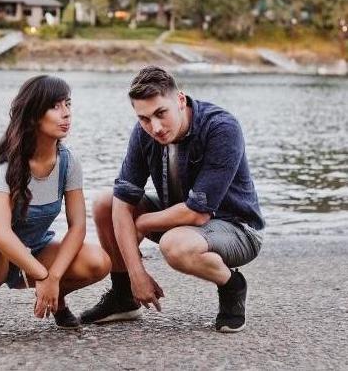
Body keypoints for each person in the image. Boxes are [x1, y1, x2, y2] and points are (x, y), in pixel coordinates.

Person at [80, 66, 265, 332]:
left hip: (238, 229)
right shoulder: (143, 133)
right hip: (181, 219)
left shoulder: (221, 128)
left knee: (174, 245)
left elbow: (197, 213)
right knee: (104, 204)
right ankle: (123, 296)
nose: (154, 127)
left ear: (179, 100)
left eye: (160, 113)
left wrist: (142, 223)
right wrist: (136, 274)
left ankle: (232, 285)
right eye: (144, 118)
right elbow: (121, 203)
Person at [0, 75, 111, 349]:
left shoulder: (68, 163)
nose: (66, 113)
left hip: (34, 247)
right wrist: (43, 276)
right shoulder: (6, 166)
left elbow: (78, 227)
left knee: (98, 260)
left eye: (68, 104)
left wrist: (53, 278)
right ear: (33, 115)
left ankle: (56, 299)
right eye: (55, 106)